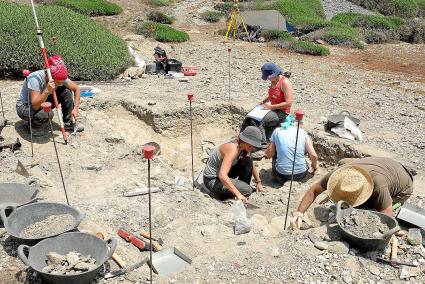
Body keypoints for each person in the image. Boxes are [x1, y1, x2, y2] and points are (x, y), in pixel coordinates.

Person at [290, 157, 414, 229]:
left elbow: (388, 218)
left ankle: (389, 202)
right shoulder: (339, 173)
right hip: (385, 167)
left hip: (404, 185)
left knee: (368, 210)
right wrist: (299, 213)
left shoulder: (378, 185)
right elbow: (313, 190)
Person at [16, 55, 82, 136]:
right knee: (47, 113)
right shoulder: (35, 79)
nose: (61, 84)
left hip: (41, 100)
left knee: (66, 91)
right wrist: (47, 90)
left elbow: (77, 89)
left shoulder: (59, 76)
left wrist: (75, 109)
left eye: (62, 81)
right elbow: (35, 106)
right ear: (48, 76)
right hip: (25, 107)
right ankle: (33, 127)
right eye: (58, 82)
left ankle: (69, 124)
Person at [203, 126, 267, 203]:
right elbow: (222, 175)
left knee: (248, 160)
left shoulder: (242, 145)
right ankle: (223, 195)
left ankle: (241, 188)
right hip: (212, 181)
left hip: (224, 174)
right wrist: (238, 194)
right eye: (253, 146)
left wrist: (258, 181)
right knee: (248, 190)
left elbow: (251, 164)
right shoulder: (233, 149)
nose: (254, 149)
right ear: (247, 143)